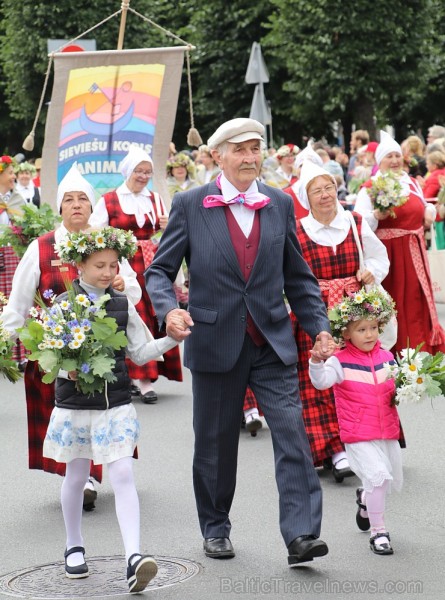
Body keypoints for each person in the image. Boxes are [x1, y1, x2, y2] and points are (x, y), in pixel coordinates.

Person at [147, 117, 334, 566]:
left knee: (292, 434)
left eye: (256, 149)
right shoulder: (191, 204)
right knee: (214, 443)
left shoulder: (279, 203)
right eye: (241, 150)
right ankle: (215, 527)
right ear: (218, 156)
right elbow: (158, 271)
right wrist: (167, 309)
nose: (251, 157)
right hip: (214, 340)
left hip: (272, 341)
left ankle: (302, 534)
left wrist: (319, 328)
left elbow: (299, 277)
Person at [42, 226, 178, 590]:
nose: (107, 272)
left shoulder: (121, 304)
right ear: (80, 266)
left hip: (115, 403)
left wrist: (171, 339)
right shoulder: (64, 304)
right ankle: (73, 545)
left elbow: (139, 351)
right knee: (76, 475)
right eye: (99, 265)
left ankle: (133, 557)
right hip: (75, 405)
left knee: (122, 475)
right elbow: (47, 358)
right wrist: (65, 365)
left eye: (113, 265)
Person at [0, 163, 141, 508]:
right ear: (60, 208)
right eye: (69, 200)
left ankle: (91, 477)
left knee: (101, 413)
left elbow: (135, 293)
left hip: (104, 351)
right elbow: (18, 302)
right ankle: (78, 477)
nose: (76, 205)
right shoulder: (42, 247)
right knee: (69, 418)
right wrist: (7, 338)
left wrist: (124, 284)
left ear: (91, 208)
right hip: (57, 353)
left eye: (83, 200)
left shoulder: (107, 245)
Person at [289, 160, 390, 480]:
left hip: (355, 313)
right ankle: (332, 447)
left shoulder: (355, 222)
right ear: (306, 198)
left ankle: (364, 441)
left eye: (329, 187)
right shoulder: (298, 231)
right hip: (313, 312)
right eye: (316, 190)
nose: (325, 194)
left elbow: (379, 256)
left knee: (358, 377)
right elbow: (286, 274)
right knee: (317, 381)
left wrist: (371, 271)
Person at [309, 286, 402, 555]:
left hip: (386, 432)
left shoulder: (387, 358)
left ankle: (364, 499)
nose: (369, 334)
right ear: (346, 333)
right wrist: (316, 362)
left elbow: (396, 389)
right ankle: (379, 533)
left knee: (378, 482)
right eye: (361, 329)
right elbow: (321, 382)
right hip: (358, 434)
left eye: (373, 327)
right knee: (379, 478)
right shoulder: (340, 361)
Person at [90, 146, 183, 404]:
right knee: (132, 313)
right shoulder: (109, 199)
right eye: (139, 171)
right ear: (128, 171)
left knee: (155, 313)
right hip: (123, 265)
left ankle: (146, 376)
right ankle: (139, 379)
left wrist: (168, 224)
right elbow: (95, 233)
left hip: (152, 263)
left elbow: (168, 233)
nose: (143, 176)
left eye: (147, 172)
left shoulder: (154, 199)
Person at [354, 130, 445, 354]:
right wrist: (375, 216)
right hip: (391, 258)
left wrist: (428, 211)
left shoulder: (411, 182)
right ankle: (397, 359)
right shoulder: (370, 188)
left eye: (397, 156)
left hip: (415, 254)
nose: (394, 161)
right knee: (395, 307)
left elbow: (424, 204)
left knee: (417, 304)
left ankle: (423, 357)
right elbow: (358, 224)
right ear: (380, 161)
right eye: (389, 157)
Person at [0, 155, 26, 366]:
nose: (13, 177)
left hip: (13, 255)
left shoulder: (18, 198)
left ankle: (19, 355)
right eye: (10, 173)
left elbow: (26, 225)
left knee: (15, 300)